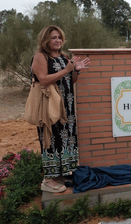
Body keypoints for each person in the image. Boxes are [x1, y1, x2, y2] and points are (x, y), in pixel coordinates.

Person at [31, 25, 90, 192]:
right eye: (53, 37)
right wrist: (67, 69)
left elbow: (70, 82)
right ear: (45, 40)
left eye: (59, 37)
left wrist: (75, 71)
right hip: (50, 107)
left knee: (66, 139)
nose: (57, 40)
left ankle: (60, 173)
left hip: (67, 108)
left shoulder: (63, 57)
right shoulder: (40, 57)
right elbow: (43, 79)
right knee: (51, 139)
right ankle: (48, 180)